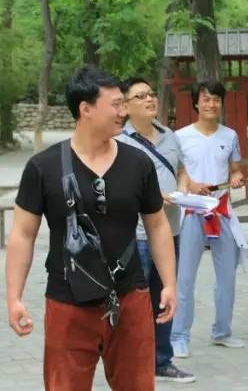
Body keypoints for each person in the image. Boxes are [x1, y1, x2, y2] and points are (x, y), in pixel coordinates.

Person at [5, 65, 177, 390]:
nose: (123, 112)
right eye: (116, 104)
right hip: (67, 302)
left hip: (129, 296)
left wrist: (169, 283)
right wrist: (14, 298)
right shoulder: (43, 167)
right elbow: (23, 235)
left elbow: (157, 225)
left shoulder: (138, 163)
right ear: (86, 109)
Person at [116, 77, 195, 383]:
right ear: (125, 106)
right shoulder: (120, 141)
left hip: (170, 230)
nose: (150, 99)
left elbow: (182, 170)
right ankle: (131, 361)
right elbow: (119, 187)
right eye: (140, 96)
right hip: (137, 235)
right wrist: (153, 198)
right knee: (136, 301)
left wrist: (183, 190)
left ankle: (161, 360)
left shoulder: (170, 136)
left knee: (165, 296)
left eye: (151, 94)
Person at [170, 81, 248, 357]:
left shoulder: (230, 135)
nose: (211, 104)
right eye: (206, 99)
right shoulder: (180, 137)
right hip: (191, 212)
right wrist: (190, 185)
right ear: (196, 103)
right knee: (185, 278)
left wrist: (237, 177)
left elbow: (236, 168)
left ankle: (222, 331)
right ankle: (179, 336)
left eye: (216, 99)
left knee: (227, 276)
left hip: (221, 211)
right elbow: (177, 171)